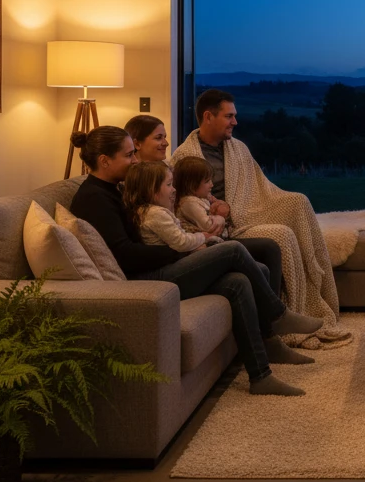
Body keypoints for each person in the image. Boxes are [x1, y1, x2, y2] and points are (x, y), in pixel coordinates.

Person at [69, 126, 321, 396]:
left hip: (158, 265)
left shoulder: (114, 188)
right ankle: (276, 315)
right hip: (147, 280)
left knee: (239, 280)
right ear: (105, 160)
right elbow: (126, 255)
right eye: (129, 155)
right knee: (233, 250)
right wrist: (184, 251)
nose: (135, 160)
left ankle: (260, 375)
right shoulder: (94, 199)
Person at [170, 89, 357, 348]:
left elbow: (260, 187)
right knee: (280, 235)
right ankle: (282, 316)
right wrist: (215, 212)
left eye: (235, 116)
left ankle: (313, 288)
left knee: (298, 201)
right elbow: (180, 205)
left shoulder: (238, 149)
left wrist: (232, 209)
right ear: (208, 116)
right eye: (229, 116)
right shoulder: (183, 156)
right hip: (212, 225)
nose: (235, 122)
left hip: (243, 213)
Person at [124, 113, 294, 330]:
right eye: (158, 138)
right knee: (236, 252)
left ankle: (271, 329)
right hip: (185, 246)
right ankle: (276, 317)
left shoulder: (167, 168)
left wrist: (221, 207)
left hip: (197, 236)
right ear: (137, 144)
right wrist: (201, 235)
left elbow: (195, 196)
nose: (166, 142)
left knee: (269, 248)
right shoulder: (134, 186)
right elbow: (176, 219)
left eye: (165, 137)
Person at [123, 160, 213, 252]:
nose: (173, 189)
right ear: (152, 190)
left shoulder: (145, 211)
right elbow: (181, 242)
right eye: (169, 184)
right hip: (171, 264)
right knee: (226, 250)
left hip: (177, 257)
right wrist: (203, 236)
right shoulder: (156, 213)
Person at [174, 156, 229, 239]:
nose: (212, 185)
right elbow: (208, 226)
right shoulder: (189, 203)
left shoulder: (201, 197)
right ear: (191, 185)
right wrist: (219, 218)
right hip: (201, 242)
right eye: (207, 181)